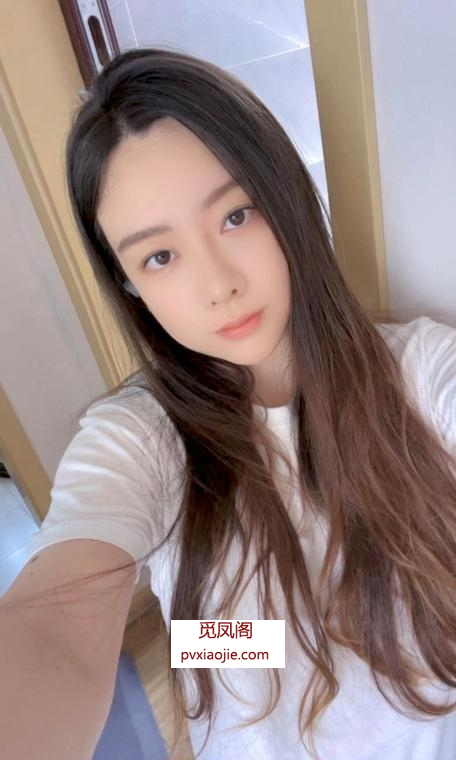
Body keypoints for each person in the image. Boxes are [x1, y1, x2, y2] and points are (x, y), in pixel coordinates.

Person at [1, 47, 455, 760]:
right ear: (130, 285)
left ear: (285, 196)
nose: (218, 285)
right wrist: (266, 632)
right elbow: (55, 623)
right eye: (160, 257)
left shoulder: (421, 374)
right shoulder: (141, 440)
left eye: (237, 215)